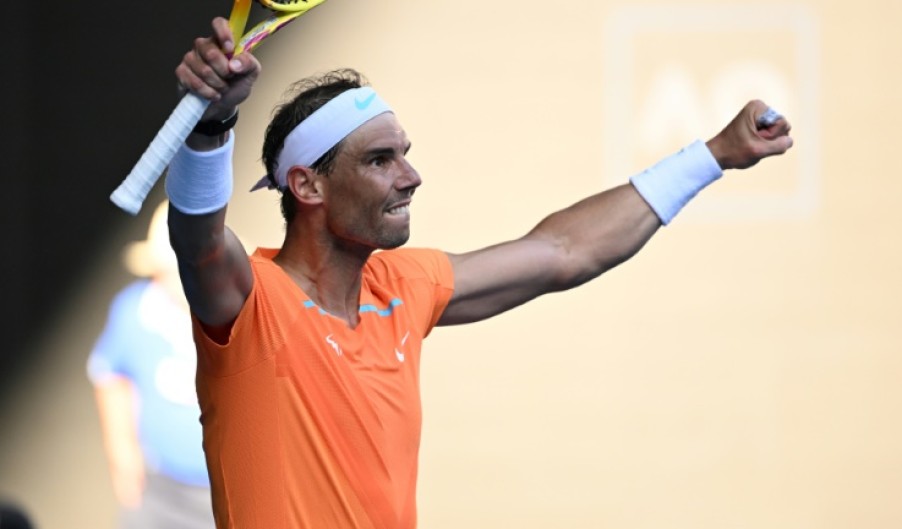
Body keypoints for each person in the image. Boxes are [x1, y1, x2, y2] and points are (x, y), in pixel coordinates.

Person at [165, 17, 792, 529]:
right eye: (381, 160)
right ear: (308, 184)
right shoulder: (255, 301)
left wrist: (713, 155)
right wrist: (212, 127)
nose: (410, 177)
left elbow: (563, 251)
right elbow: (198, 243)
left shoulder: (401, 290)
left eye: (405, 156)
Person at [87, 201, 215, 529]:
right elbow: (111, 378)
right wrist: (122, 456)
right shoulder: (135, 311)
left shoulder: (240, 314)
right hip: (157, 490)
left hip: (225, 491)